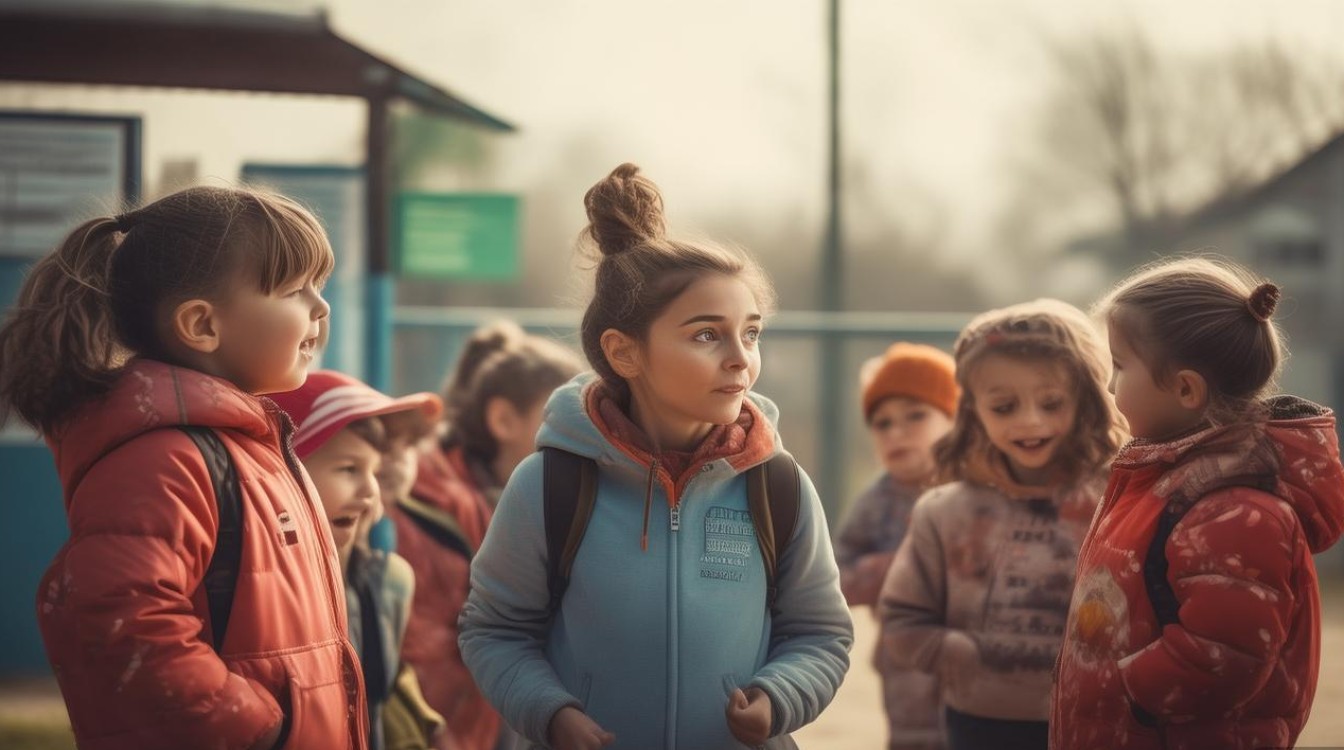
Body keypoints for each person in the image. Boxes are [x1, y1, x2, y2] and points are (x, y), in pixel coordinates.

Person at [457, 163, 853, 750]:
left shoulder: (778, 484)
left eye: (751, 332)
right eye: (705, 335)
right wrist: (552, 713)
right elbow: (494, 631)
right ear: (624, 353)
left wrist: (779, 698)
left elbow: (820, 633)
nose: (741, 358)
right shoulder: (549, 483)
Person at [0, 186, 367, 749]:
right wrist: (258, 730)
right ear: (201, 325)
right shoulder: (165, 458)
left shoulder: (251, 446)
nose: (321, 308)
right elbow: (116, 619)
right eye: (296, 290)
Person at [1051, 258, 1344, 750]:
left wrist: (1124, 686)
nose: (1108, 385)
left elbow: (1226, 654)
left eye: (1119, 367)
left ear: (1186, 388)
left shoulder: (1233, 511)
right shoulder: (1166, 480)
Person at [878, 298, 1125, 750]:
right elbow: (901, 618)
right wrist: (952, 652)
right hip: (978, 724)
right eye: (1004, 406)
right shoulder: (944, 512)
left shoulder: (1118, 502)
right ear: (972, 410)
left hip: (1095, 720)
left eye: (1051, 403)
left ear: (1088, 399)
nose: (1030, 421)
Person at [394, 320, 582, 750]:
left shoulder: (502, 501)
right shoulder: (427, 513)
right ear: (502, 419)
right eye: (561, 421)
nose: (580, 439)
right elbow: (426, 660)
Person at [271, 370, 445, 750]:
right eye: (349, 469)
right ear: (285, 474)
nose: (371, 490)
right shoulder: (265, 591)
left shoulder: (387, 581)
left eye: (374, 470)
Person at [834, 342, 957, 750]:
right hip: (903, 661)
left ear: (956, 419)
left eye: (915, 415)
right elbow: (836, 575)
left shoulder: (978, 487)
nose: (896, 432)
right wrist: (883, 570)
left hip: (977, 653)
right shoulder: (878, 500)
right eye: (882, 424)